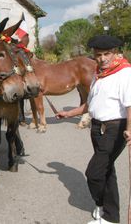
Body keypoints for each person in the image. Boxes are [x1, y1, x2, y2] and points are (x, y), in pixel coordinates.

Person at [56, 35, 131, 224]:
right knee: (107, 171)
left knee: (94, 173)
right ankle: (111, 217)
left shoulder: (125, 73)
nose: (103, 58)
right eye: (99, 55)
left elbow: (130, 105)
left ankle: (102, 206)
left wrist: (130, 129)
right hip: (97, 127)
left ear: (116, 53)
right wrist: (69, 114)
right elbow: (91, 104)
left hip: (115, 128)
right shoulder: (99, 74)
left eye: (107, 54)